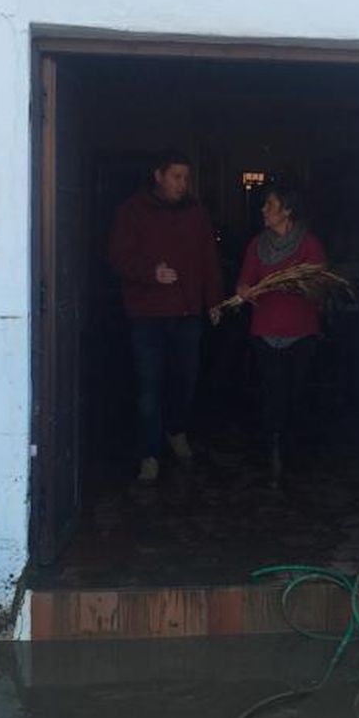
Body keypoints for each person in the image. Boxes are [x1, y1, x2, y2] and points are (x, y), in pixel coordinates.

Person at [108, 155, 224, 484]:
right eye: (176, 177)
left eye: (186, 177)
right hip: (147, 314)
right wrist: (151, 274)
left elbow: (208, 260)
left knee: (185, 380)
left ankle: (175, 430)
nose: (182, 184)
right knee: (149, 386)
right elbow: (118, 258)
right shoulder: (132, 211)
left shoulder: (196, 212)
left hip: (187, 312)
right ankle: (149, 453)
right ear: (158, 175)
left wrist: (213, 299)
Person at [235, 184, 327, 488]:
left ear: (287, 210)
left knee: (294, 393)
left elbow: (319, 288)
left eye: (270, 205)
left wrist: (297, 285)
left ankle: (291, 449)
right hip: (264, 333)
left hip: (300, 334)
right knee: (274, 392)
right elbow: (243, 283)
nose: (263, 210)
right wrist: (245, 291)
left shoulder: (309, 245)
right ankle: (274, 451)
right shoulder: (256, 246)